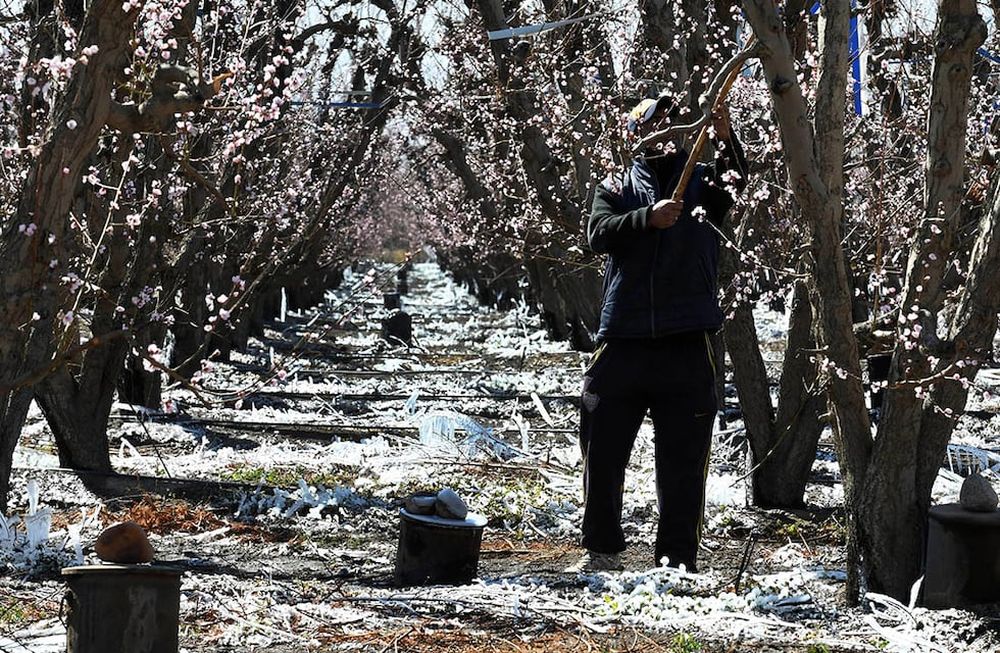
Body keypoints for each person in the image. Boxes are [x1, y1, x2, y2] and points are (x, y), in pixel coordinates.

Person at [573, 94, 748, 572]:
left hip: (686, 339)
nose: (665, 130)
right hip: (623, 339)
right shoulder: (617, 184)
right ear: (635, 135)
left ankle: (676, 561)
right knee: (602, 448)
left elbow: (738, 183)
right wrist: (646, 219)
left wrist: (725, 136)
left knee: (684, 462)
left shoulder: (701, 184)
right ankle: (602, 548)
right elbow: (598, 232)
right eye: (654, 124)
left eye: (671, 122)